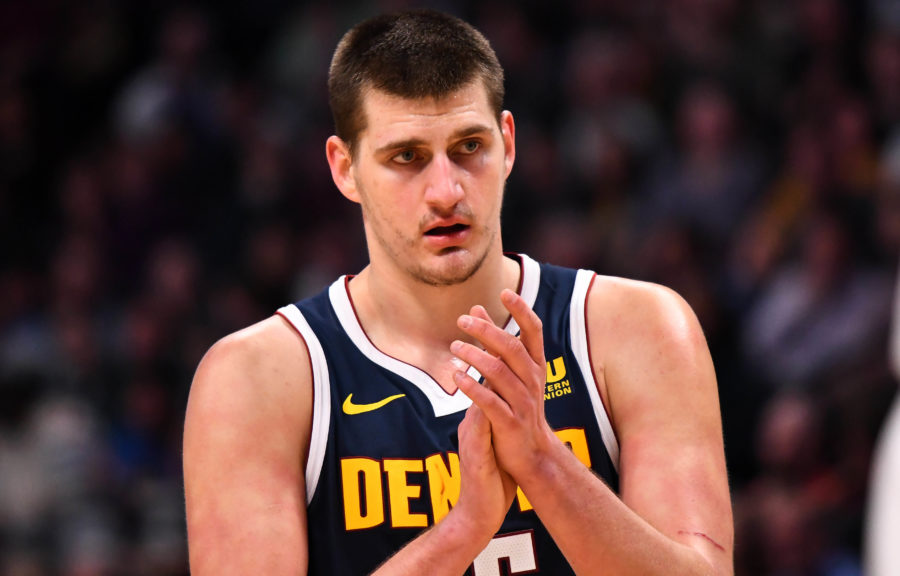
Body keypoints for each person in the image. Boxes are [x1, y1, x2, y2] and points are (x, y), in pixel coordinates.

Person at [183, 9, 733, 575]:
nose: (446, 190)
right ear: (344, 168)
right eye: (407, 157)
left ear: (508, 143)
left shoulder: (638, 329)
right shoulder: (257, 378)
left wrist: (544, 465)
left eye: (469, 147)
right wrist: (465, 528)